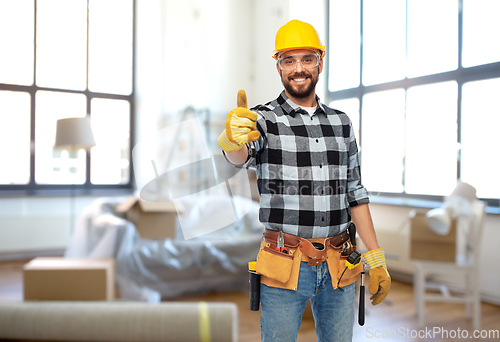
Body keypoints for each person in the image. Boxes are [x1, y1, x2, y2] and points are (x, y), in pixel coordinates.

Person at [217, 19, 390, 342]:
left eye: (307, 59)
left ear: (320, 62)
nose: (298, 68)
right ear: (279, 67)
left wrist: (375, 256)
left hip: (340, 264)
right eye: (288, 60)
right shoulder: (262, 120)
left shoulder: (341, 123)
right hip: (285, 264)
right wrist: (232, 139)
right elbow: (240, 157)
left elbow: (355, 193)